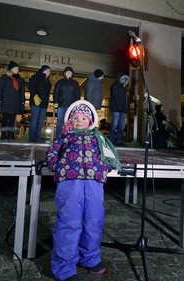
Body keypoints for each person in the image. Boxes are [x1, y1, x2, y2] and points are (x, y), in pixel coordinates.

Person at [45, 100, 120, 281]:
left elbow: (109, 155)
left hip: (94, 182)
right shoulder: (65, 137)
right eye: (76, 118)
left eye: (83, 118)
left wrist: (105, 167)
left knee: (93, 220)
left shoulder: (98, 138)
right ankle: (64, 267)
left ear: (90, 121)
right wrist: (55, 165)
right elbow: (52, 152)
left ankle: (90, 258)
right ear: (70, 121)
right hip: (69, 181)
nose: (79, 121)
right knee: (69, 221)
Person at [0, 61, 25, 141]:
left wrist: (22, 102)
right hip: (6, 102)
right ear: (11, 69)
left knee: (12, 120)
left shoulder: (20, 80)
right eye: (15, 68)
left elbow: (22, 92)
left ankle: (10, 135)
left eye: (18, 68)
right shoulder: (4, 78)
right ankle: (4, 135)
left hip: (15, 103)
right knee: (5, 119)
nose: (17, 69)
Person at [53, 66, 81, 137]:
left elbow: (78, 94)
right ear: (64, 73)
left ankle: (69, 137)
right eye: (67, 72)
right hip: (61, 105)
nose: (69, 73)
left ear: (72, 74)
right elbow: (56, 92)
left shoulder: (75, 83)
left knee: (70, 122)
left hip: (71, 106)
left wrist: (76, 105)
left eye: (70, 72)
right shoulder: (60, 82)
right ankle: (58, 137)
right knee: (60, 121)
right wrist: (55, 102)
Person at [28, 65, 51, 142]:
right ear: (43, 70)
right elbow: (31, 86)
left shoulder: (48, 81)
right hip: (36, 103)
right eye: (48, 70)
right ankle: (32, 137)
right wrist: (35, 95)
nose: (49, 72)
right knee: (34, 120)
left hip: (44, 104)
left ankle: (37, 137)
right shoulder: (36, 76)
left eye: (50, 70)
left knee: (40, 121)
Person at [109, 73, 129, 146]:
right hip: (116, 109)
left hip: (121, 110)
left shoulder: (122, 88)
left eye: (126, 79)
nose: (125, 80)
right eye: (124, 79)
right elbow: (115, 96)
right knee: (114, 125)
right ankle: (112, 140)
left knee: (121, 126)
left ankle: (119, 141)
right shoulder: (115, 86)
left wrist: (124, 108)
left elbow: (124, 100)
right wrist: (119, 106)